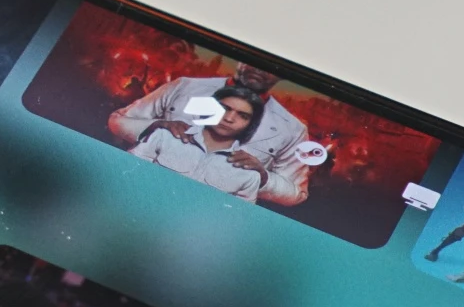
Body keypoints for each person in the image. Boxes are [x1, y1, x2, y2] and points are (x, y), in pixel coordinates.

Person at [107, 62, 311, 205]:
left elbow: (296, 194)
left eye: (273, 67)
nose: (260, 69)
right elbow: (117, 121)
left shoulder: (293, 129)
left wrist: (264, 177)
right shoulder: (185, 86)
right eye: (254, 61)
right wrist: (156, 126)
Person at [124, 86, 267, 202]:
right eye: (224, 108)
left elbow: (235, 219)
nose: (229, 118)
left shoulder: (249, 174)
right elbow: (126, 174)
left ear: (250, 125)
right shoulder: (165, 136)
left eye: (243, 116)